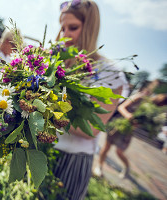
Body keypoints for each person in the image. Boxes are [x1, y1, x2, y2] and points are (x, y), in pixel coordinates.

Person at [53, 1, 129, 199]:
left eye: (73, 27)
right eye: (62, 28)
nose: (65, 34)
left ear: (90, 28)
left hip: (72, 161)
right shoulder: (57, 62)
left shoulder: (109, 73)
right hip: (42, 149)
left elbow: (90, 128)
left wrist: (43, 109)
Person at [94, 80, 161, 178]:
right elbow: (121, 107)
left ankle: (127, 167)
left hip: (127, 130)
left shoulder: (148, 105)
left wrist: (138, 123)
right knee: (107, 147)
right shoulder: (138, 97)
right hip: (118, 125)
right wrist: (128, 116)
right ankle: (99, 167)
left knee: (119, 151)